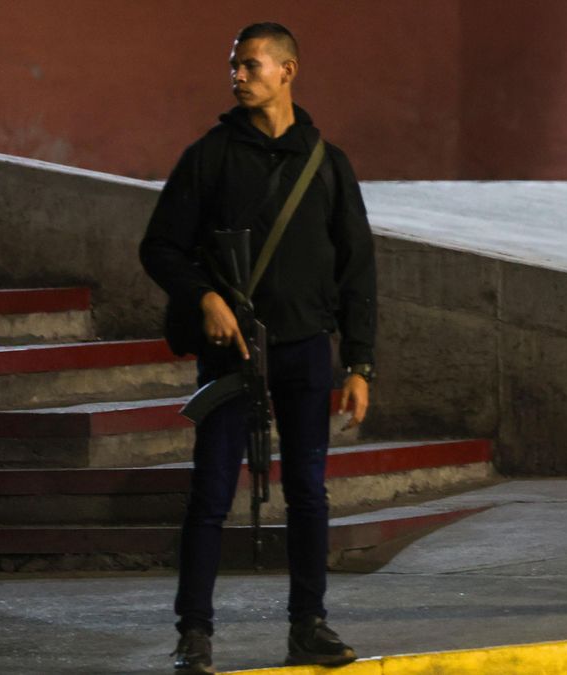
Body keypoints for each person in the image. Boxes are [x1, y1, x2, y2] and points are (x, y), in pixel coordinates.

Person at [140, 22, 376, 673]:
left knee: (308, 491)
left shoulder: (327, 163)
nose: (236, 76)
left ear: (287, 71)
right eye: (234, 66)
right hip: (232, 353)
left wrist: (360, 363)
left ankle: (309, 623)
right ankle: (195, 632)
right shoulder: (210, 156)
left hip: (304, 348)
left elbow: (359, 268)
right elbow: (159, 246)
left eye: (249, 65)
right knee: (211, 492)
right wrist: (205, 298)